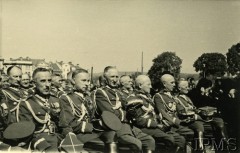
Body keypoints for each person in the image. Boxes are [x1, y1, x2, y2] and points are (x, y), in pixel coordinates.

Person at [94, 66, 155, 153]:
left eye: (116, 76)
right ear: (105, 78)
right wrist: (125, 112)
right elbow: (109, 115)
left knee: (149, 141)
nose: (115, 80)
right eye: (112, 77)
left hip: (130, 126)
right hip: (116, 127)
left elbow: (131, 109)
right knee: (136, 144)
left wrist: (127, 110)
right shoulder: (101, 93)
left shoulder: (120, 93)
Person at [59, 69, 120, 153]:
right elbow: (68, 123)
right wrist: (93, 126)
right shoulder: (66, 98)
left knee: (111, 134)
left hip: (92, 132)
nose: (87, 84)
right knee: (99, 145)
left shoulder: (88, 98)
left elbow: (94, 117)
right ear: (73, 81)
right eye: (83, 81)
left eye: (88, 81)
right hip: (78, 134)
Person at [126, 75, 186, 153]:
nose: (151, 87)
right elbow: (138, 120)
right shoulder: (134, 99)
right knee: (169, 139)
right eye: (148, 84)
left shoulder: (147, 97)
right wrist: (156, 125)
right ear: (140, 85)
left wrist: (162, 122)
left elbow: (155, 114)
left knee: (180, 139)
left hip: (155, 127)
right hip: (144, 128)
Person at [17, 68, 61, 152]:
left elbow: (64, 125)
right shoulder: (27, 104)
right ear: (34, 83)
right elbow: (28, 133)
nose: (47, 84)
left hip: (58, 138)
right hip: (40, 141)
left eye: (49, 81)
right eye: (43, 81)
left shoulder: (56, 100)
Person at [188, 78, 230, 153]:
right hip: (198, 117)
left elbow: (213, 104)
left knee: (220, 123)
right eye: (208, 88)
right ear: (202, 87)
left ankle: (225, 144)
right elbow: (198, 104)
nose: (209, 90)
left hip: (209, 116)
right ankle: (201, 150)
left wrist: (207, 95)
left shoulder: (209, 94)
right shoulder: (193, 93)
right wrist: (204, 95)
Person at [153, 74, 194, 144]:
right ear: (164, 84)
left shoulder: (171, 96)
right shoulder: (158, 96)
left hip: (175, 123)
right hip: (168, 125)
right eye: (172, 83)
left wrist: (184, 119)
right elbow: (163, 113)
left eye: (174, 82)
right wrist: (179, 122)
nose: (174, 85)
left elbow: (178, 110)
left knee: (191, 132)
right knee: (186, 135)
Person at [176, 80, 205, 152]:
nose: (188, 88)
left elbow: (194, 108)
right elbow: (181, 112)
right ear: (179, 88)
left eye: (188, 86)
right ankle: (200, 149)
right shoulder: (176, 99)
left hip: (193, 118)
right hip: (186, 120)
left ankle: (199, 148)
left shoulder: (187, 98)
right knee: (199, 126)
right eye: (185, 87)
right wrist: (195, 113)